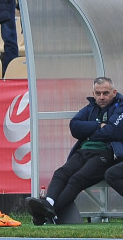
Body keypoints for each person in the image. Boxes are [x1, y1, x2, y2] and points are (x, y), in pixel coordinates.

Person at [27, 77, 123, 225]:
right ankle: (48, 205)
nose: (101, 97)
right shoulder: (90, 107)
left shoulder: (120, 107)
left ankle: (48, 213)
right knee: (61, 173)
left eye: (105, 93)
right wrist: (98, 127)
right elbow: (74, 126)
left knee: (77, 179)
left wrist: (89, 132)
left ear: (114, 92)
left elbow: (112, 131)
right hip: (83, 151)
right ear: (93, 93)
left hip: (106, 154)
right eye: (98, 93)